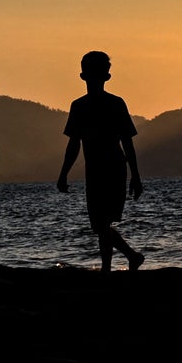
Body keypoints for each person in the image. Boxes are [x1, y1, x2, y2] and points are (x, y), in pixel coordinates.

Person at [57, 51, 145, 272]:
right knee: (100, 224)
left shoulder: (113, 104)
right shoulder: (81, 106)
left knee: (102, 223)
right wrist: (63, 173)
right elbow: (74, 144)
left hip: (112, 168)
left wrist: (135, 175)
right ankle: (128, 258)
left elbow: (127, 141)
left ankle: (112, 266)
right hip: (97, 170)